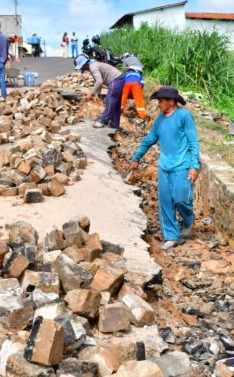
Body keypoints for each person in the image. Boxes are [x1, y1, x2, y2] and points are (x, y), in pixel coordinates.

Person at [130, 86, 200, 251]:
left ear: (171, 102)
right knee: (166, 202)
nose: (159, 104)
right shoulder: (160, 120)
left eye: (161, 101)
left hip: (183, 166)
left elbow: (193, 142)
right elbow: (149, 139)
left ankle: (188, 220)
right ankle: (172, 236)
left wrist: (194, 165)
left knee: (181, 199)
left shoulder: (184, 116)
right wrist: (136, 157)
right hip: (164, 167)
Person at [74, 54, 124, 130]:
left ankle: (103, 121)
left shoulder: (93, 67)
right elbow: (99, 82)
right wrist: (98, 93)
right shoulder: (94, 65)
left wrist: (90, 94)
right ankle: (114, 124)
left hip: (116, 80)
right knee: (115, 104)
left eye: (81, 67)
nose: (82, 69)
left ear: (84, 64)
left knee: (110, 100)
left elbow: (99, 82)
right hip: (119, 79)